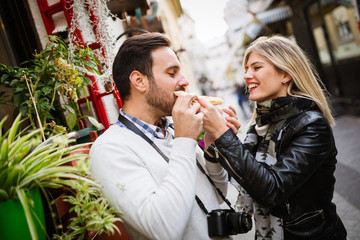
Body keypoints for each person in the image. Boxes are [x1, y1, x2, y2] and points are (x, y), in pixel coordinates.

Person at [89, 33, 237, 240]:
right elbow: (163, 228)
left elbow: (217, 195)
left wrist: (211, 152)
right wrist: (185, 140)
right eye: (172, 73)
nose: (184, 81)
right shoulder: (109, 149)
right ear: (139, 81)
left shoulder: (171, 128)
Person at [198, 35, 347, 239]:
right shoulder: (260, 125)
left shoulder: (312, 124)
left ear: (285, 73)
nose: (247, 76)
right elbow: (247, 179)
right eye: (246, 69)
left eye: (256, 67)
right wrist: (216, 142)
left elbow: (271, 190)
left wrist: (226, 138)